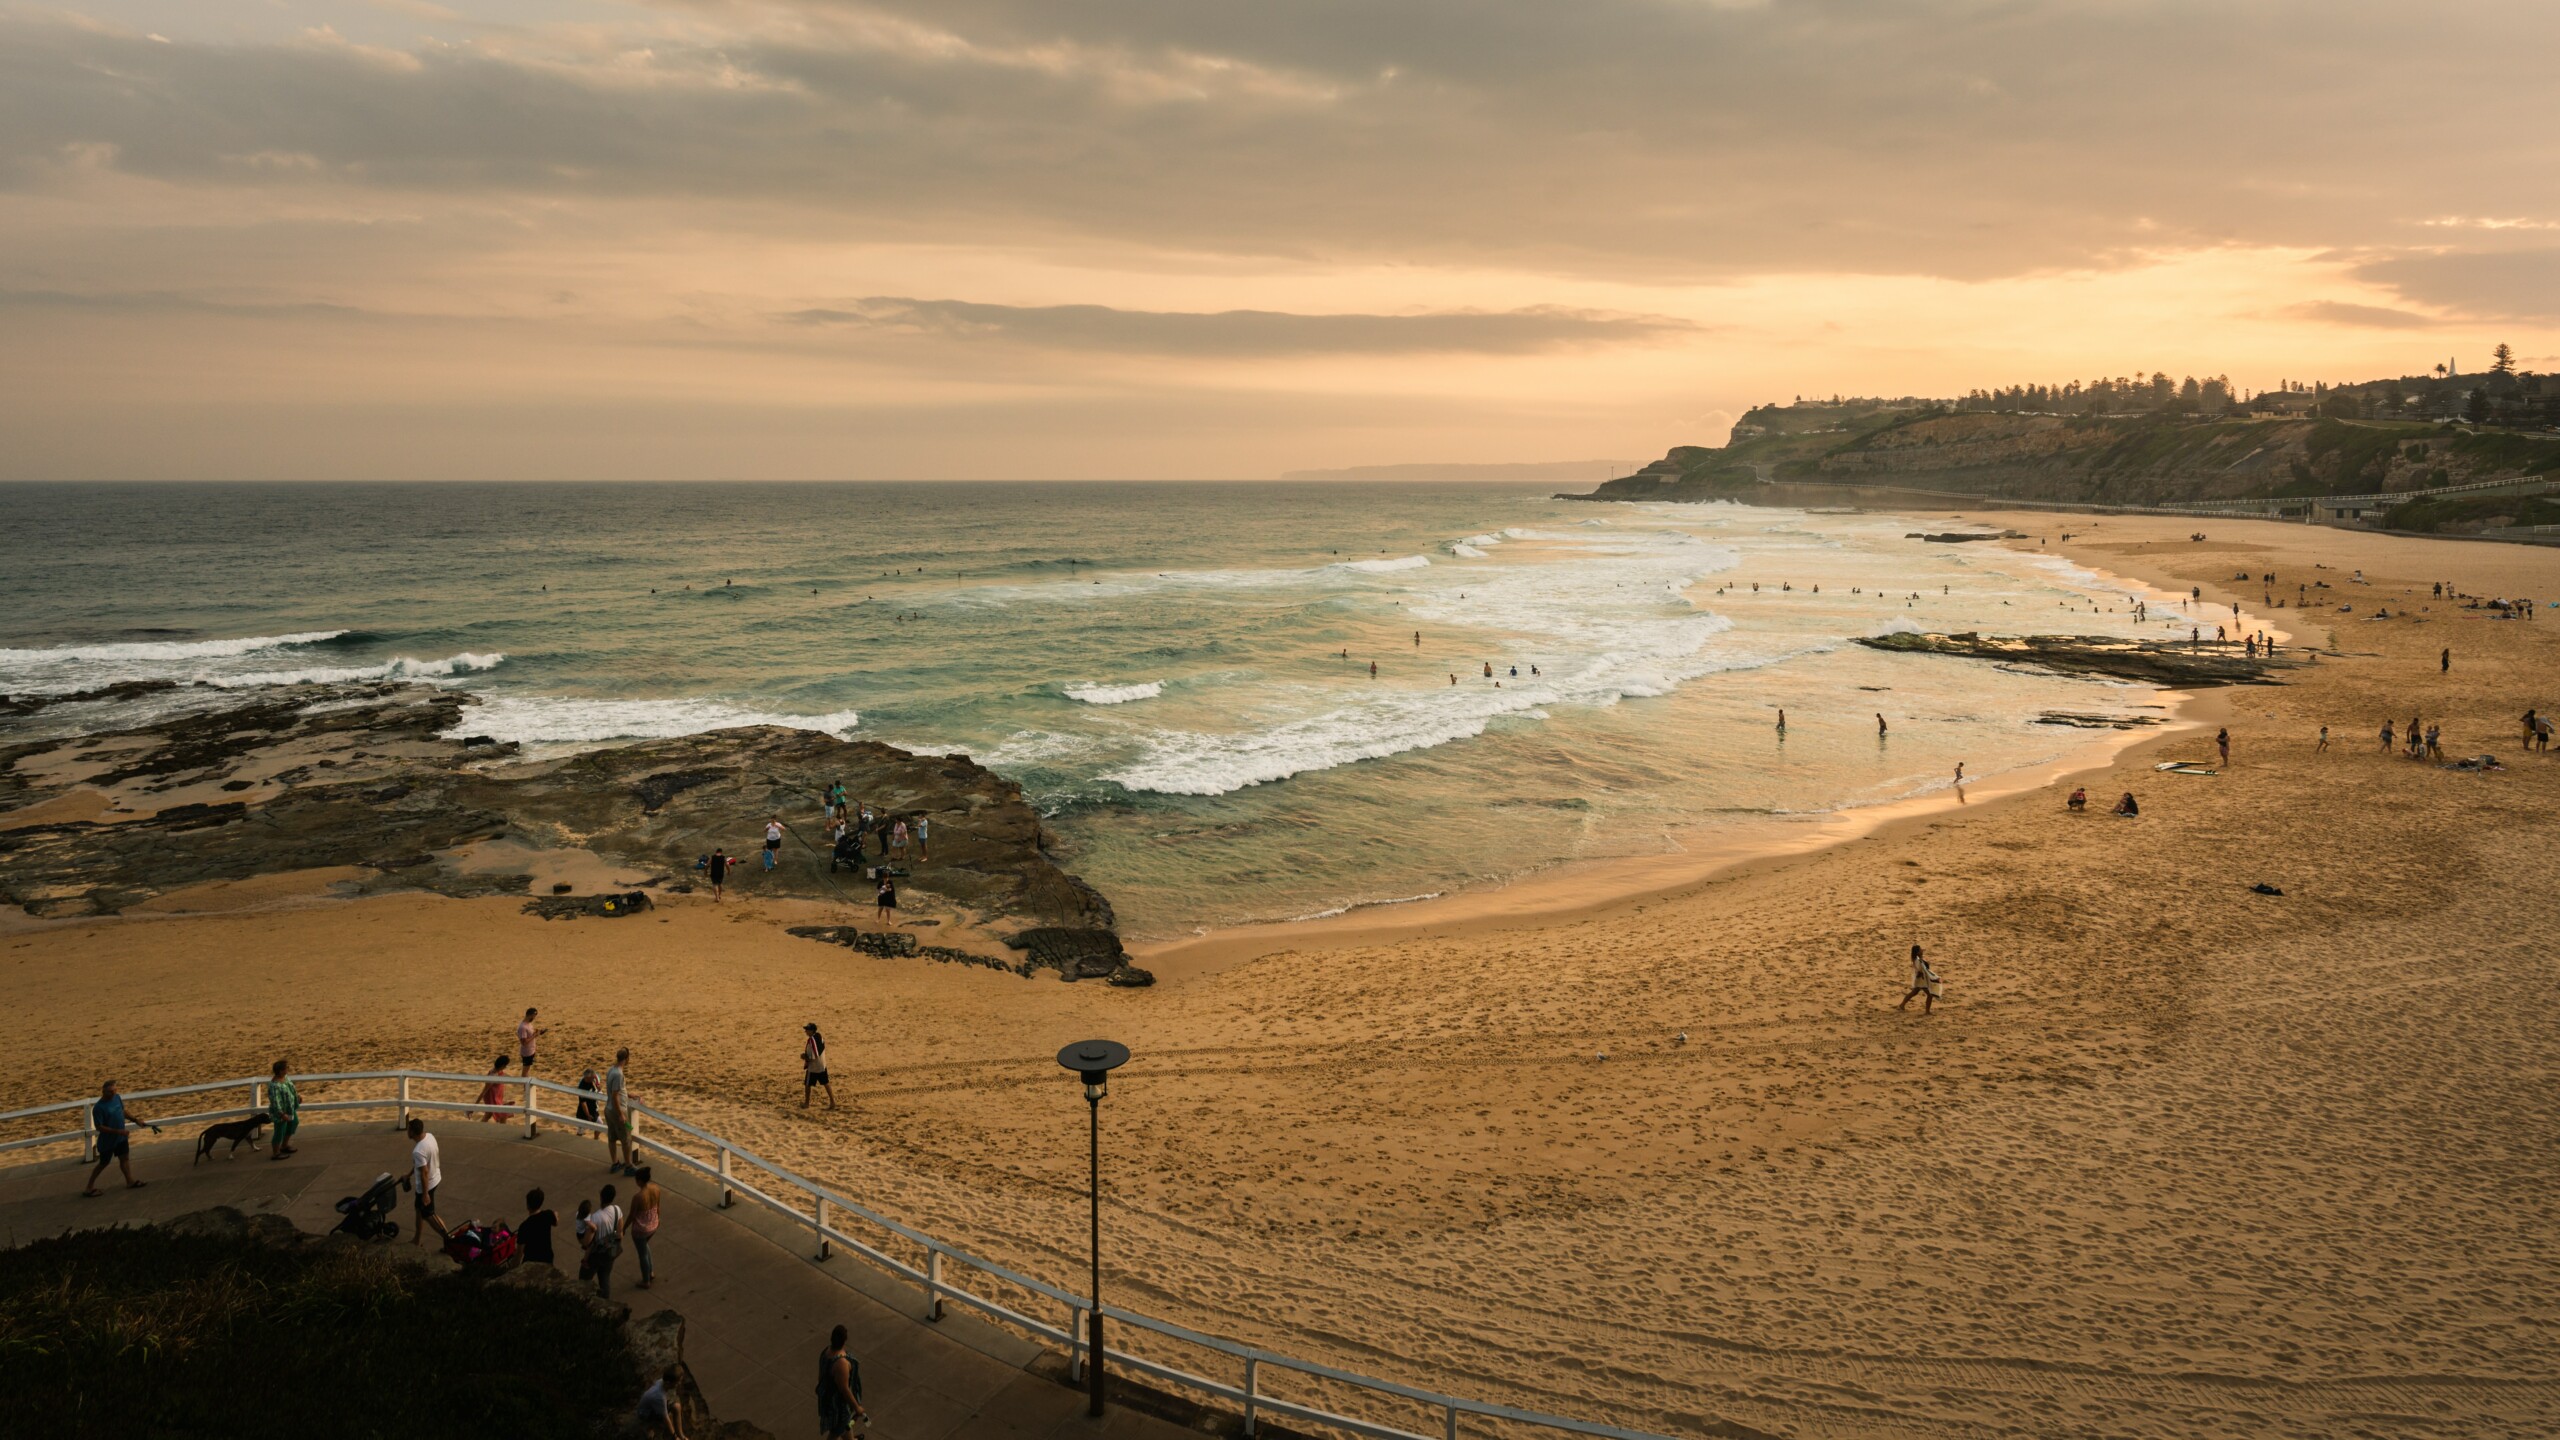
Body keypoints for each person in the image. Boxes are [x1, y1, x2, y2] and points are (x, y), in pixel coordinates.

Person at [81, 1080, 161, 1197]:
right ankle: (88, 1188)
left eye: (114, 1091)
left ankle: (130, 1181)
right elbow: (99, 1127)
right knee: (103, 1163)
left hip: (121, 1138)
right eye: (109, 1092)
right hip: (108, 1141)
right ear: (103, 1091)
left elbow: (122, 1111)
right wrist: (118, 1131)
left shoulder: (117, 1098)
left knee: (124, 1159)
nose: (112, 1094)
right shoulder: (99, 1108)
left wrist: (136, 1120)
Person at [403, 1117, 451, 1246]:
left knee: (430, 1215)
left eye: (408, 1130)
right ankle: (417, 1240)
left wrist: (425, 1194)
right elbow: (421, 1165)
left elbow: (424, 1172)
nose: (407, 1132)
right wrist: (408, 1175)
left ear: (412, 1132)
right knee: (419, 1211)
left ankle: (448, 1239)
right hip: (435, 1177)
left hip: (426, 1186)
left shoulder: (418, 1151)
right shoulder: (429, 1136)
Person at [818, 1325, 869, 1439]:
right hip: (838, 1408)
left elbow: (820, 1377)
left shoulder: (825, 1352)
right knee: (836, 1433)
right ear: (844, 1340)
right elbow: (844, 1389)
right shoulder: (841, 1363)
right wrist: (857, 1408)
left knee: (845, 1427)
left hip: (828, 1402)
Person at [582, 1183, 625, 1298]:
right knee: (605, 1278)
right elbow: (620, 1233)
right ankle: (605, 1303)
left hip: (595, 1254)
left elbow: (587, 1242)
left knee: (584, 1280)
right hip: (610, 1252)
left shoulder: (595, 1217)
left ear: (601, 1197)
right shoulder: (617, 1210)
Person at [629, 1166, 663, 1290]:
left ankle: (646, 1280)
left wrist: (623, 1229)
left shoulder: (638, 1197)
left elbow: (632, 1216)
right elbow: (658, 1207)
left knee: (642, 1254)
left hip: (641, 1229)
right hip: (654, 1224)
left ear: (640, 1181)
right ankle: (651, 1271)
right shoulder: (656, 1189)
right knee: (645, 1246)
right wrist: (658, 1220)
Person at [605, 1048, 634, 1174]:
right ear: (627, 1059)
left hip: (609, 1109)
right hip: (617, 1110)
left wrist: (629, 1095)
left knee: (612, 1138)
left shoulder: (611, 1069)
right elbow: (615, 1095)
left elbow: (617, 1091)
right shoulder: (619, 1074)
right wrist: (621, 1114)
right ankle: (628, 1166)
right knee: (626, 1139)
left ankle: (615, 1163)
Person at [637, 1366, 686, 1439]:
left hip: (651, 1406)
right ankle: (651, 1429)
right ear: (668, 1383)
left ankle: (681, 1435)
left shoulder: (661, 1382)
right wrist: (674, 1436)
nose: (679, 1384)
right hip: (645, 1414)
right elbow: (666, 1418)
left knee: (677, 1406)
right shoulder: (659, 1397)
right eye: (677, 1382)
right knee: (661, 1425)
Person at [267, 1058, 300, 1160]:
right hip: (281, 1112)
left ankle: (284, 1145)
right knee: (279, 1131)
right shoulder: (274, 1085)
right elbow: (275, 1101)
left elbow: (291, 1088)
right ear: (280, 1071)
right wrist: (282, 1114)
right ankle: (276, 1152)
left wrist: (297, 1096)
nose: (288, 1069)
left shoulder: (285, 1078)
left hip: (289, 1109)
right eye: (286, 1068)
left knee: (293, 1123)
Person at [1896, 944, 1943, 1013]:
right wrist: (1934, 978)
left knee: (1914, 992)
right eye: (1920, 950)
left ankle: (1902, 1005)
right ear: (1918, 952)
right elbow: (1923, 971)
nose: (1922, 950)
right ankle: (1927, 1011)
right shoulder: (1918, 961)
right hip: (1922, 981)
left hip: (1920, 980)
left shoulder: (1917, 960)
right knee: (1929, 995)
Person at [521, 1187, 561, 1268]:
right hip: (546, 1258)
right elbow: (556, 1223)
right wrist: (555, 1214)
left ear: (528, 1205)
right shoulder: (548, 1215)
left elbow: (520, 1251)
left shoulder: (525, 1225)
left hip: (531, 1262)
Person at [803, 1023, 834, 1109]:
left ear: (812, 1031)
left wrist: (804, 1057)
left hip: (814, 1067)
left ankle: (806, 1103)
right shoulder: (819, 1037)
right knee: (826, 1083)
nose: (805, 1031)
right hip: (822, 1065)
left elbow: (813, 1056)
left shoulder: (811, 1040)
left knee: (807, 1084)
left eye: (807, 1030)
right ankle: (832, 1101)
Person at [477, 1054, 512, 1122]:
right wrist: (474, 1106)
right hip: (492, 1098)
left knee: (489, 1114)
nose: (505, 1067)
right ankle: (502, 1130)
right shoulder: (493, 1075)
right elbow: (484, 1091)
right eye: (505, 1065)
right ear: (502, 1066)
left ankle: (480, 1126)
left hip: (497, 1097)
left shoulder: (499, 1071)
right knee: (503, 1114)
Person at [575, 1062, 604, 1134]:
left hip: (593, 1109)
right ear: (587, 1078)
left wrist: (598, 1085)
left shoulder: (594, 1077)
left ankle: (596, 1139)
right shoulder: (582, 1087)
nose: (593, 1079)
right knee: (581, 1131)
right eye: (591, 1078)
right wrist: (588, 1115)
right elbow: (583, 1103)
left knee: (600, 1125)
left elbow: (597, 1077)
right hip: (584, 1112)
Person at [518, 1007, 545, 1074]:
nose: (534, 1018)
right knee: (525, 1072)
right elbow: (524, 1043)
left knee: (527, 1070)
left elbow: (529, 1035)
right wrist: (534, 1035)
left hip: (531, 1050)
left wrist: (537, 1032)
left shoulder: (528, 1023)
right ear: (530, 1015)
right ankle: (525, 1084)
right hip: (527, 1053)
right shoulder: (523, 1027)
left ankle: (526, 1082)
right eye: (534, 1017)